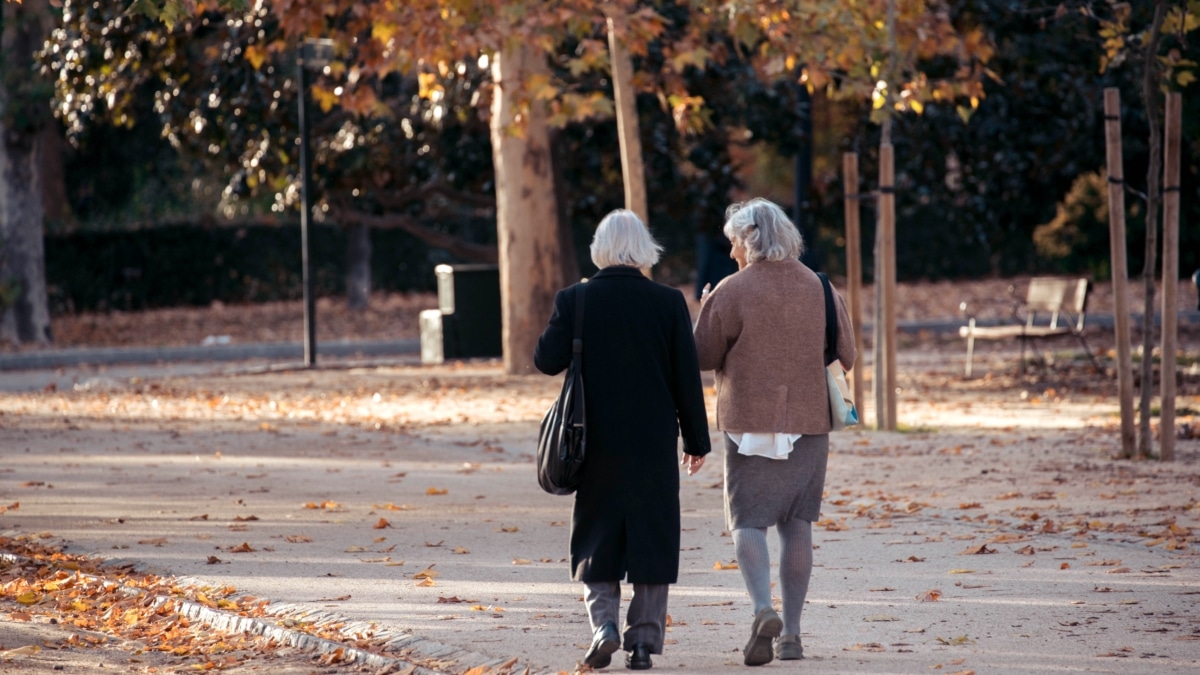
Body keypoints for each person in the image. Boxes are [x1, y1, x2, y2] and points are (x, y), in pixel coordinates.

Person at [534, 209, 711, 671]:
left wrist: (566, 322)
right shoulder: (668, 302)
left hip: (592, 438)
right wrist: (697, 440)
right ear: (643, 248)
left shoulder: (576, 300)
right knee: (652, 536)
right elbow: (685, 380)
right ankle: (643, 644)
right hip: (652, 438)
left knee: (596, 533)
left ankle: (604, 627)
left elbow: (545, 360)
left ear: (600, 248)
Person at [692, 198, 855, 666]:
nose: (730, 255)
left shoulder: (730, 289)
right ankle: (794, 636)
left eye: (732, 244)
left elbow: (702, 356)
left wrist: (706, 307)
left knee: (748, 520)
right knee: (797, 523)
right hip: (808, 422)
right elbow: (847, 354)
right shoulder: (820, 287)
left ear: (748, 240)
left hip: (747, 421)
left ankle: (763, 608)